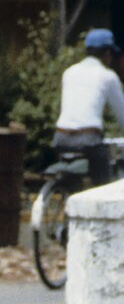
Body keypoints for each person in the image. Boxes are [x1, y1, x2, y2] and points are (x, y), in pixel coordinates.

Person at [55, 28, 124, 187]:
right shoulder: (108, 76)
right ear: (107, 53)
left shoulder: (69, 72)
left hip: (60, 138)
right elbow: (122, 113)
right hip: (88, 139)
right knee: (104, 185)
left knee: (74, 184)